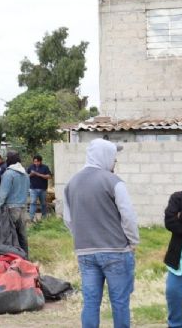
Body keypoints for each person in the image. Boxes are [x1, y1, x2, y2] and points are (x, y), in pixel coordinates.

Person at [64, 139, 139, 328]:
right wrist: (132, 241)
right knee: (120, 303)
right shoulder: (113, 181)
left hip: (85, 252)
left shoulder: (71, 183)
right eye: (114, 158)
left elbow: (68, 219)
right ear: (105, 157)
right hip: (116, 251)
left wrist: (82, 236)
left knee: (90, 303)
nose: (115, 163)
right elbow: (128, 216)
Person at [164, 167, 182, 327]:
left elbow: (178, 221)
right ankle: (176, 324)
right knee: (173, 293)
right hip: (179, 258)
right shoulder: (177, 197)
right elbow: (170, 223)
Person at [0, 151, 31, 256]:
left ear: (9, 161)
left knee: (9, 235)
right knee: (22, 235)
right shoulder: (25, 174)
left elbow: (3, 194)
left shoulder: (8, 174)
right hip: (23, 207)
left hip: (11, 208)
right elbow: (28, 191)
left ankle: (12, 258)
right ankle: (25, 257)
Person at [27, 155, 52, 220]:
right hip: (33, 189)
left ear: (41, 161)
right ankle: (31, 218)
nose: (36, 163)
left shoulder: (45, 167)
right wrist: (30, 175)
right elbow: (26, 176)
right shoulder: (30, 167)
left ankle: (44, 218)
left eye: (38, 162)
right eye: (35, 162)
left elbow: (49, 176)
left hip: (43, 189)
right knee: (33, 202)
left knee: (43, 203)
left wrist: (38, 174)